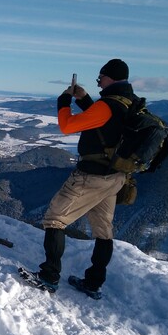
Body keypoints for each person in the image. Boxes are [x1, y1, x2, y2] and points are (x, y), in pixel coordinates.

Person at [29, 58, 135, 299]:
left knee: (55, 219)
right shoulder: (128, 103)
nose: (98, 82)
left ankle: (49, 276)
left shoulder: (107, 105)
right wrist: (84, 98)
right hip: (116, 177)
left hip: (92, 177)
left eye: (100, 78)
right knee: (103, 230)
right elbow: (103, 124)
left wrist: (64, 100)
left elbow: (67, 126)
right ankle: (93, 282)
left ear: (110, 78)